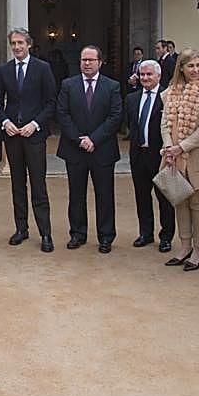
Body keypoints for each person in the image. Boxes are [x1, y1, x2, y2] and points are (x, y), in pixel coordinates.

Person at [0, 27, 57, 252]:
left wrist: (35, 124)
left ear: (29, 44)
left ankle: (45, 233)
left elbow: (51, 102)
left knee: (38, 185)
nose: (17, 47)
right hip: (12, 136)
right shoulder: (4, 71)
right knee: (17, 184)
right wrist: (5, 122)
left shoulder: (43, 68)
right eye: (13, 43)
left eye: (21, 43)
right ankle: (21, 228)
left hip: (34, 135)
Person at [57, 45, 124, 252]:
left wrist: (93, 139)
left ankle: (106, 236)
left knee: (104, 195)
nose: (86, 63)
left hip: (102, 150)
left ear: (100, 63)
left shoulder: (112, 86)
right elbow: (62, 115)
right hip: (75, 149)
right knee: (76, 195)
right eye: (83, 60)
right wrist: (80, 140)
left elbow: (115, 117)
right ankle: (77, 233)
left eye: (91, 60)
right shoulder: (68, 85)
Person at [160, 48, 199, 271]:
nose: (195, 70)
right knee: (180, 202)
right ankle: (184, 246)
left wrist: (181, 147)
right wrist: (169, 146)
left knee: (197, 204)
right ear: (181, 68)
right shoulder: (170, 92)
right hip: (173, 157)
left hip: (197, 157)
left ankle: (198, 249)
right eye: (190, 66)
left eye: (198, 65)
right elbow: (164, 123)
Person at [125, 59, 174, 252]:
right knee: (142, 197)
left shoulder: (167, 97)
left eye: (149, 74)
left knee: (164, 198)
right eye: (142, 74)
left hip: (160, 156)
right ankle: (146, 233)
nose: (145, 78)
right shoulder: (132, 98)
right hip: (138, 155)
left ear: (159, 76)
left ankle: (166, 237)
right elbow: (129, 124)